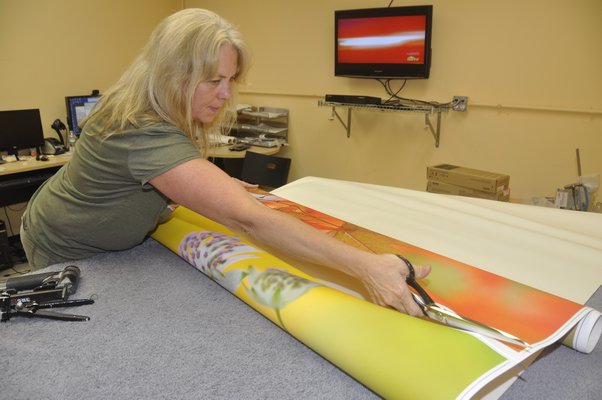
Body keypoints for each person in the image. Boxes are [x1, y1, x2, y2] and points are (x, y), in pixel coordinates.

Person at [20, 8, 430, 316]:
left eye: (231, 79)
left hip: (70, 217)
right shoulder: (142, 128)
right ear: (170, 74)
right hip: (67, 246)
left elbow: (161, 175)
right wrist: (367, 267)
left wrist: (217, 183)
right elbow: (247, 220)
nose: (226, 95)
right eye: (214, 80)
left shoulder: (146, 102)